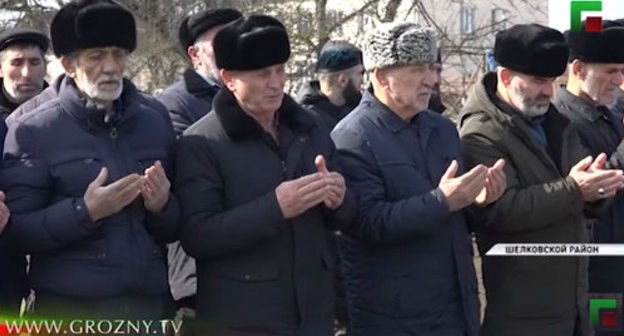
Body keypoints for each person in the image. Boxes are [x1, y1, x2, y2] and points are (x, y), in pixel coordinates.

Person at [0, 0, 179, 324]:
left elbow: (177, 226)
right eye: (97, 57)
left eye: (118, 55)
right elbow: (17, 232)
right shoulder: (31, 129)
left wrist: (162, 205)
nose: (110, 67)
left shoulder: (155, 119)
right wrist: (86, 212)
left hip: (146, 307)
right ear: (69, 65)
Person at [175, 15, 356, 335]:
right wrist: (275, 207)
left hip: (313, 312)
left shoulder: (309, 127)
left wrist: (339, 200)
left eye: (280, 70)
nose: (275, 83)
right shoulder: (200, 142)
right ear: (229, 78)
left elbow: (346, 216)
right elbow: (197, 235)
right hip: (243, 317)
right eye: (262, 74)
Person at [331, 22, 506, 336]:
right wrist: (442, 200)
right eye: (418, 70)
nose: (432, 80)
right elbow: (366, 223)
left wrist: (479, 201)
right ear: (381, 75)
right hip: (393, 317)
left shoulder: (442, 129)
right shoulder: (351, 137)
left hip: (456, 308)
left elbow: (458, 217)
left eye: (433, 68)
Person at [459, 24, 624, 336]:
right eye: (538, 81)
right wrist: (576, 189)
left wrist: (597, 191)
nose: (549, 91)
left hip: (571, 302)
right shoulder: (481, 133)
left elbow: (582, 201)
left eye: (551, 81)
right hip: (524, 310)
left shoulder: (554, 123)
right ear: (506, 77)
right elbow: (501, 210)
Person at [553, 20, 624, 319]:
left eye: (622, 71)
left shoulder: (607, 113)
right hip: (595, 273)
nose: (619, 80)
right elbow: (593, 188)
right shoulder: (558, 120)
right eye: (611, 71)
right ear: (579, 69)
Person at [159, 7, 242, 135]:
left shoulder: (261, 90)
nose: (231, 50)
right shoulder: (175, 103)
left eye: (236, 41)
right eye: (220, 44)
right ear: (195, 54)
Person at [296, 40, 364, 129]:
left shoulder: (361, 110)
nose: (362, 80)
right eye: (359, 73)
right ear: (343, 80)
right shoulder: (304, 122)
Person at [0, 27, 48, 118]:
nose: (27, 74)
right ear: (1, 69)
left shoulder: (66, 112)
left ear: (45, 68)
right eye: (17, 63)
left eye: (34, 63)